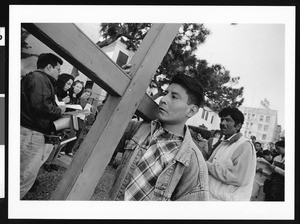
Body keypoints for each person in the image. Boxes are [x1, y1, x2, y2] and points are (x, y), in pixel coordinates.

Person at [108, 74, 209, 201]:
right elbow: (103, 136)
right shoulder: (138, 129)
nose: (163, 99)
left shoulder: (193, 163)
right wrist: (119, 84)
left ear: (192, 111)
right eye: (166, 93)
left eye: (174, 97)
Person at [20, 53, 65, 198]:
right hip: (31, 132)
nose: (59, 73)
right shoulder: (40, 78)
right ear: (49, 67)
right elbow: (41, 106)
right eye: (58, 69)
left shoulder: (37, 78)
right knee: (25, 176)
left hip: (29, 130)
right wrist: (60, 110)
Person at [206, 107, 256, 201]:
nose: (222, 123)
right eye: (222, 119)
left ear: (238, 126)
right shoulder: (223, 143)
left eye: (228, 120)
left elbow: (238, 178)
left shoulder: (244, 145)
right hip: (211, 199)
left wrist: (208, 166)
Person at [42, 73, 75, 172]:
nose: (69, 87)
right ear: (62, 82)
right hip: (48, 125)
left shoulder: (67, 94)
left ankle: (50, 161)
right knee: (43, 151)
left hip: (59, 124)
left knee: (53, 148)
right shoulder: (53, 91)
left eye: (70, 85)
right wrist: (63, 102)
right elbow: (50, 106)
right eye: (68, 84)